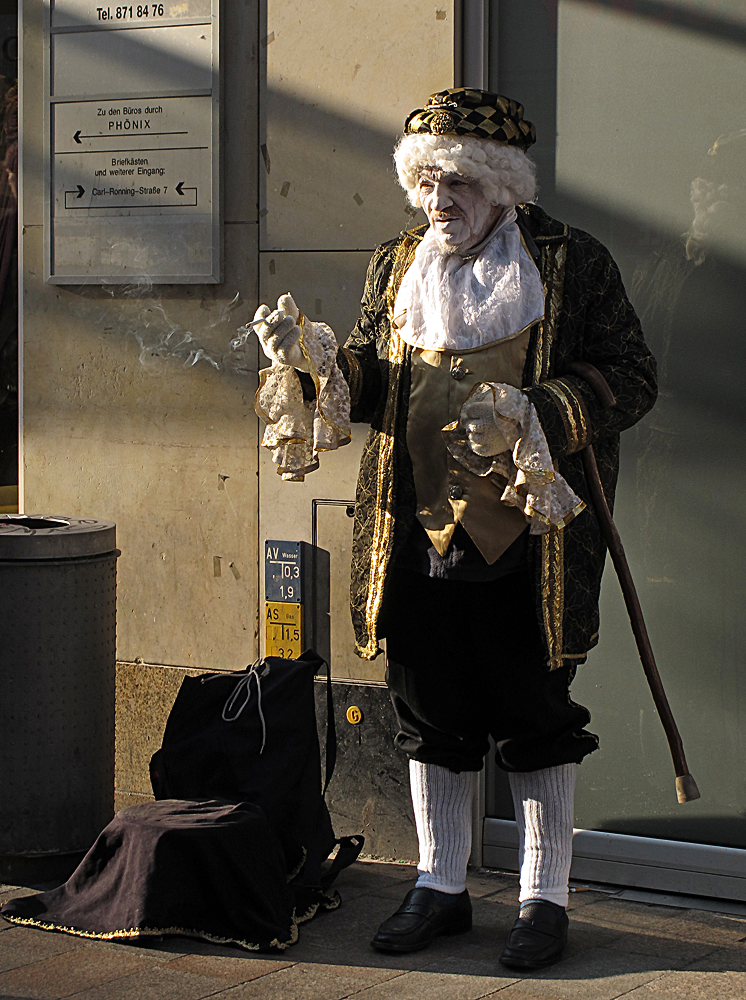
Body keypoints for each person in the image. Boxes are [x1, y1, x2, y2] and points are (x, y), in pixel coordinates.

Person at [253, 89, 657, 970]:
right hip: (416, 532)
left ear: (502, 186)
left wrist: (541, 407)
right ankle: (439, 885)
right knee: (429, 713)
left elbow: (632, 375)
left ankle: (542, 900)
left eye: (459, 182)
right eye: (427, 181)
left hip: (533, 544)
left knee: (535, 715)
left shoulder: (571, 262)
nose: (440, 200)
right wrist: (313, 358)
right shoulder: (396, 262)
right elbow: (369, 380)